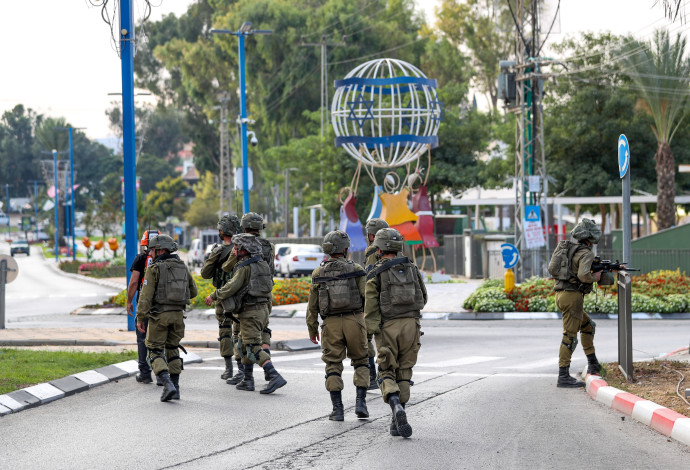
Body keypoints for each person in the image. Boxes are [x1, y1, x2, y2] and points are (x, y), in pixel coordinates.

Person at [365, 228, 427, 438]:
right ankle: (397, 420)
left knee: (386, 370)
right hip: (412, 325)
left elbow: (371, 306)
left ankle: (395, 407)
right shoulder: (411, 267)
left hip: (388, 327)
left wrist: (371, 331)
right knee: (405, 371)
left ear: (380, 248)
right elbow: (423, 298)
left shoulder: (376, 272)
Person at [307, 230, 369, 421]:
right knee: (361, 361)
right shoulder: (356, 268)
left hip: (330, 324)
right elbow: (367, 296)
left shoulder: (319, 272)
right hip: (355, 321)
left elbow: (312, 306)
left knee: (333, 364)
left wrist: (312, 328)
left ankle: (338, 409)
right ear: (345, 249)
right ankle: (361, 403)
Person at [214, 233, 287, 394]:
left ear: (243, 249)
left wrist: (214, 296)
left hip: (250, 312)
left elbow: (231, 286)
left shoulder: (245, 267)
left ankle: (273, 375)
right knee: (242, 344)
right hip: (262, 310)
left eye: (236, 247)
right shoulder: (262, 264)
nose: (233, 250)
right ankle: (248, 380)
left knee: (252, 346)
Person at [136, 234, 198, 402]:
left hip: (159, 317)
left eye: (153, 251)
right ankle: (176, 388)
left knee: (155, 350)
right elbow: (194, 292)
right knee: (173, 349)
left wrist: (140, 318)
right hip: (178, 316)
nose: (151, 254)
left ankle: (167, 384)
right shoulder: (182, 266)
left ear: (161, 250)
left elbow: (145, 297)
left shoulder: (154, 268)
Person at [552, 218, 610, 388]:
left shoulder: (567, 249)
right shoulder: (585, 253)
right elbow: (584, 276)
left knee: (587, 326)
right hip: (572, 297)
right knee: (569, 337)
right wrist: (596, 277)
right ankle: (563, 376)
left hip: (561, 294)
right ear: (590, 238)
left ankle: (593, 363)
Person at [222, 212, 275, 384]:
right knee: (264, 330)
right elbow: (271, 270)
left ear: (244, 227)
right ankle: (268, 367)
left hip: (246, 297)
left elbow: (227, 267)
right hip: (266, 295)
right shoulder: (268, 246)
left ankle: (246, 374)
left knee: (241, 335)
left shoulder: (241, 243)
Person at [201, 215, 241, 382]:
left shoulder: (218, 250)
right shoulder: (243, 247)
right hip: (239, 295)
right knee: (239, 332)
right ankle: (242, 370)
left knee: (225, 331)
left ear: (223, 230)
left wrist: (213, 257)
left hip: (221, 296)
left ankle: (229, 368)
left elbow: (205, 273)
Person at [126, 229, 159, 384]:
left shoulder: (141, 259)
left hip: (144, 305)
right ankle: (161, 374)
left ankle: (145, 373)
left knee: (142, 338)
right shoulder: (168, 259)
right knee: (161, 338)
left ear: (144, 243)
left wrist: (129, 301)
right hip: (162, 306)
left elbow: (133, 282)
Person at [363, 218, 389, 390]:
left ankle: (373, 377)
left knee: (366, 338)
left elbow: (370, 276)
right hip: (390, 301)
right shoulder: (393, 248)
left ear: (372, 235)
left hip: (375, 300)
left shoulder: (374, 250)